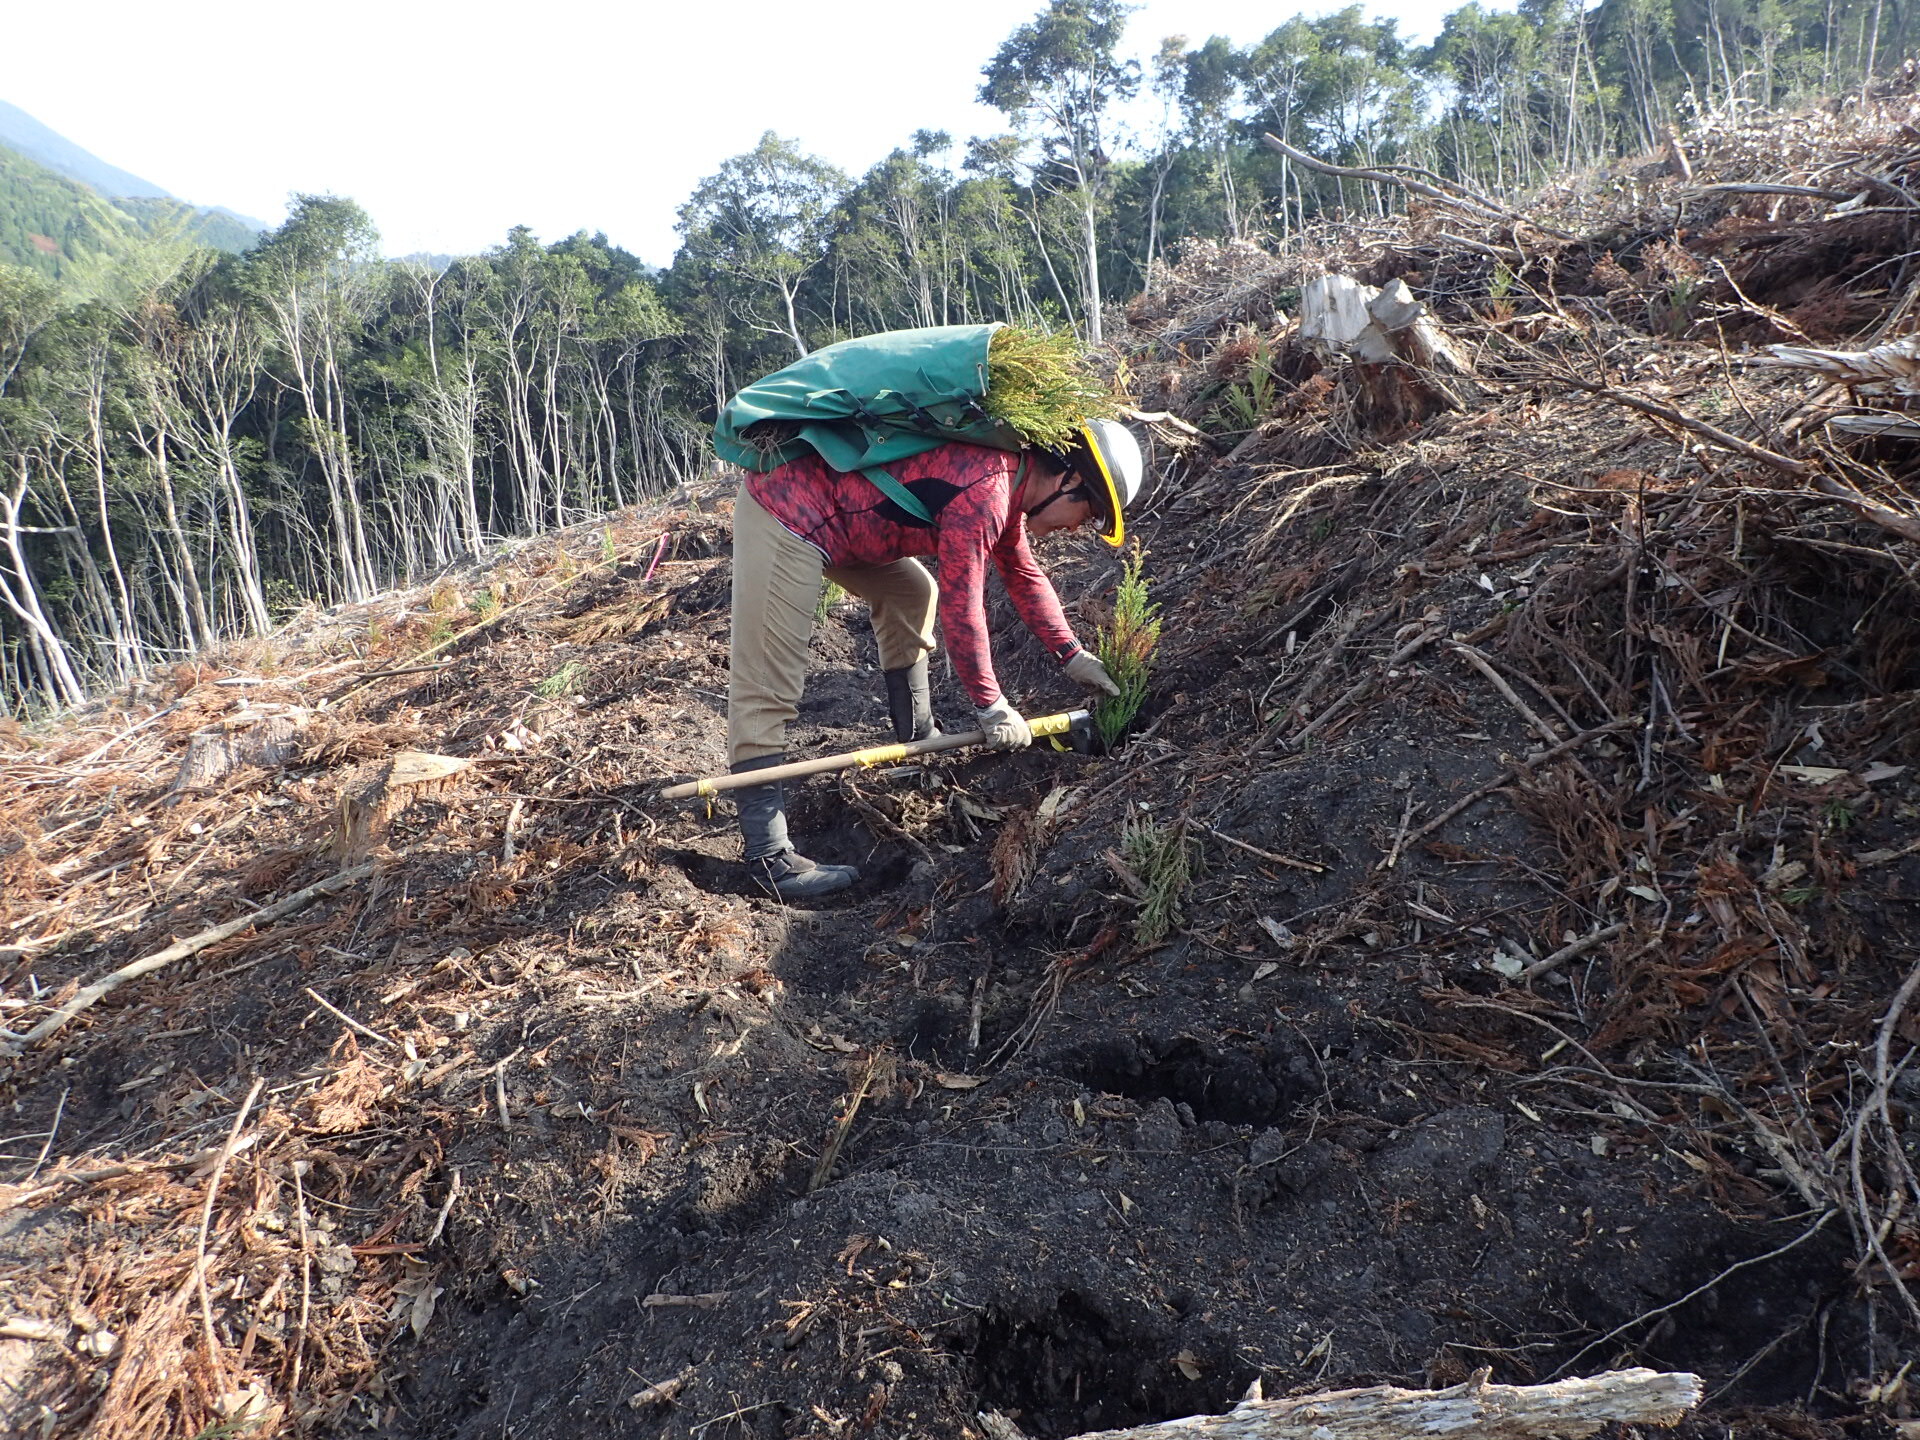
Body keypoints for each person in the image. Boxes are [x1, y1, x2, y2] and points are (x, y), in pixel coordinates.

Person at [726, 420, 1145, 898]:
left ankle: (916, 743)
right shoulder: (986, 491)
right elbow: (963, 605)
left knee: (911, 592)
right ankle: (769, 856)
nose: (1078, 526)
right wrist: (991, 705)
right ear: (1067, 479)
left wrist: (1072, 654)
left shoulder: (1009, 485)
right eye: (1087, 511)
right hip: (789, 512)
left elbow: (1024, 575)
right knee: (768, 680)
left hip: (841, 518)